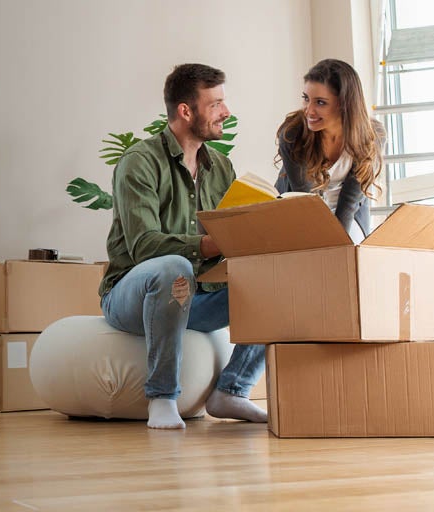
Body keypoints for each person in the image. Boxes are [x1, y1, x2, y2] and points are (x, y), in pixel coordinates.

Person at [99, 63, 268, 429]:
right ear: (185, 111)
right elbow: (144, 246)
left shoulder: (221, 168)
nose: (226, 112)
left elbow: (230, 238)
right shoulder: (139, 164)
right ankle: (161, 397)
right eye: (216, 104)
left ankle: (232, 391)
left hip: (200, 297)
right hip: (132, 296)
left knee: (279, 281)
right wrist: (208, 245)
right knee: (173, 267)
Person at [274, 58, 386, 241]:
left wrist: (337, 241)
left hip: (348, 214)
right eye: (306, 99)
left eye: (320, 103)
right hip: (301, 209)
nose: (308, 111)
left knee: (349, 254)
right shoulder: (293, 134)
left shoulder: (373, 136)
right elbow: (305, 200)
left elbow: (350, 202)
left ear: (344, 103)